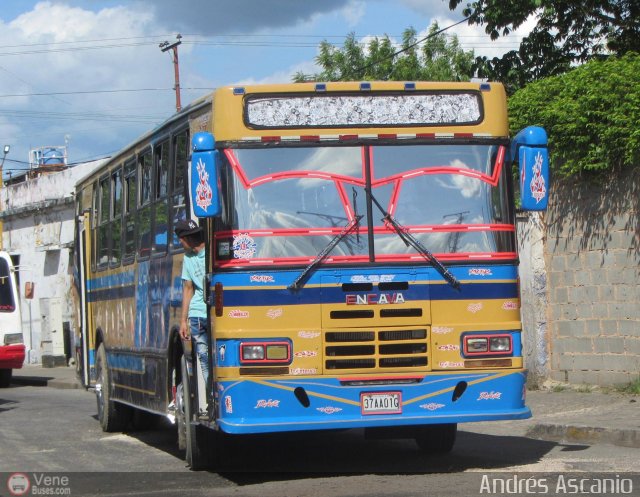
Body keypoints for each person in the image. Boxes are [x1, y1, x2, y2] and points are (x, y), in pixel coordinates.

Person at [175, 219, 209, 389]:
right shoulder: (188, 258)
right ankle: (213, 396)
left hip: (215, 313)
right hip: (197, 316)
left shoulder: (211, 252)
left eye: (180, 240)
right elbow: (188, 289)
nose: (180, 243)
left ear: (187, 239)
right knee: (203, 357)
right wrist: (183, 321)